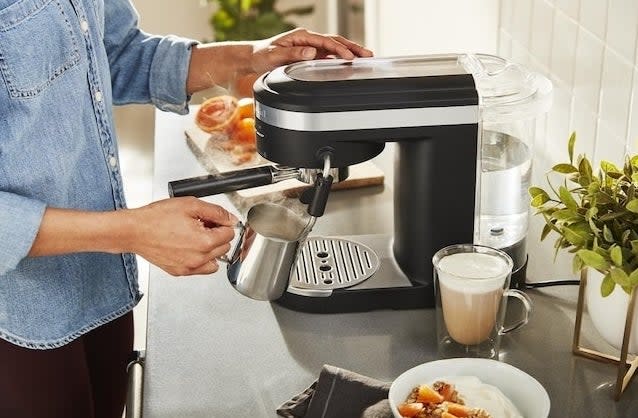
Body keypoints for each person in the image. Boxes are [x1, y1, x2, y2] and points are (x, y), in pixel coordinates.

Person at [0, 0, 373, 417]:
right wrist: (128, 231)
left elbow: (114, 54)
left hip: (99, 285)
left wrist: (245, 59)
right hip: (17, 322)